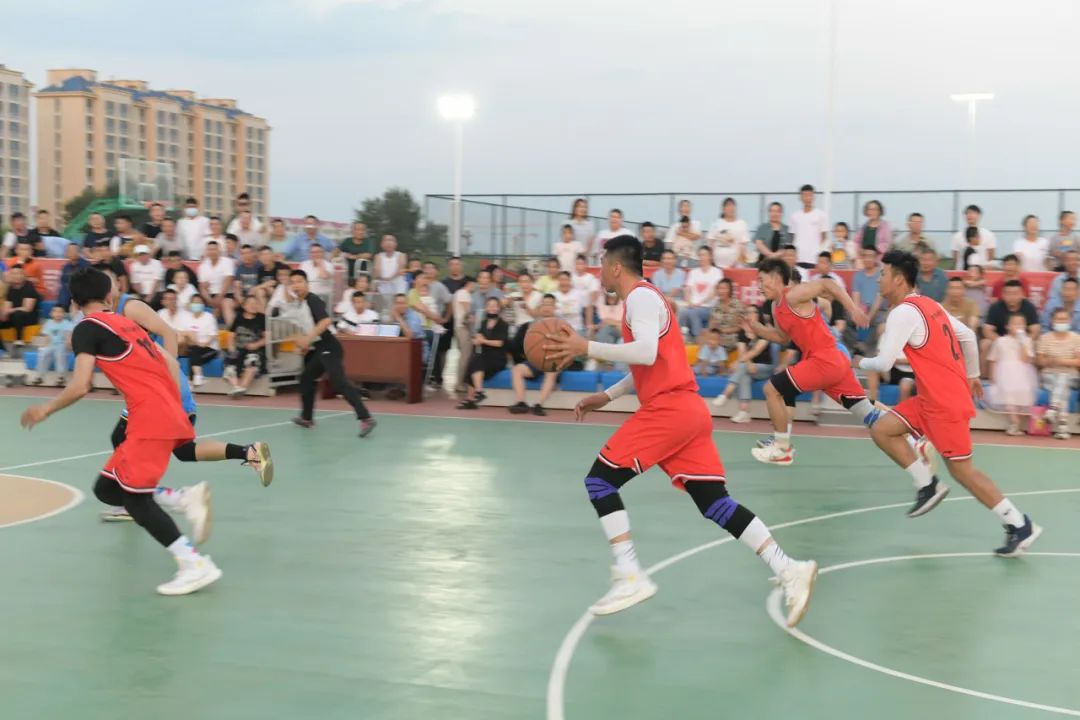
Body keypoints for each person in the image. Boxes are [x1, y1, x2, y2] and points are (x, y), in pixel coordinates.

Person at [541, 235, 819, 626]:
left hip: (669, 410)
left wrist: (586, 347)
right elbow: (649, 363)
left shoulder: (640, 298)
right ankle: (789, 567)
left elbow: (645, 353)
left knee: (600, 482)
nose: (599, 270)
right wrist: (606, 395)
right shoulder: (645, 299)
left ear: (616, 266)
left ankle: (629, 574)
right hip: (687, 410)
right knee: (715, 503)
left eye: (601, 263)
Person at [19, 267, 221, 595]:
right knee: (107, 489)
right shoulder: (127, 323)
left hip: (151, 418)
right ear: (109, 295)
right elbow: (168, 362)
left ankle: (194, 564)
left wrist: (45, 409)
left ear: (73, 302)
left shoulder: (87, 328)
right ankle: (182, 498)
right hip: (163, 411)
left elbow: (81, 384)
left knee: (136, 501)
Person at [856, 250, 1042, 555]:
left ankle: (1020, 524)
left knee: (964, 472)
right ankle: (927, 485)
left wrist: (858, 362)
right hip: (930, 398)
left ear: (898, 279)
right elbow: (967, 335)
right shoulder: (929, 304)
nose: (879, 280)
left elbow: (884, 362)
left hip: (943, 404)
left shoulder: (902, 312)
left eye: (883, 274)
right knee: (882, 430)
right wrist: (973, 374)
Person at [102, 285, 273, 522]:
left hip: (162, 393)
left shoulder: (128, 308)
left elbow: (170, 334)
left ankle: (135, 500)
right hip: (162, 392)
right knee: (183, 451)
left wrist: (166, 378)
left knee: (123, 441)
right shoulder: (116, 322)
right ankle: (249, 451)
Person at [748, 258, 873, 466]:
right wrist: (757, 329)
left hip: (824, 359)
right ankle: (915, 438)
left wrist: (853, 310)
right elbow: (782, 338)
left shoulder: (793, 295)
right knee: (868, 413)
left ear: (776, 278)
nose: (759, 286)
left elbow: (827, 284)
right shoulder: (776, 308)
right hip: (830, 362)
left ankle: (782, 448)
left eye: (762, 280)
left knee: (772, 389)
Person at [287, 270, 376, 436]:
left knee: (339, 383)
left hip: (330, 346)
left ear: (307, 284)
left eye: (299, 281)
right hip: (318, 348)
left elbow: (326, 321)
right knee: (306, 379)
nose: (296, 285)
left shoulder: (312, 300)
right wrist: (305, 345)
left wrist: (307, 339)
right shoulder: (299, 305)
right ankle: (306, 418)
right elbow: (310, 328)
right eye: (292, 282)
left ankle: (366, 418)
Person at [712, 306, 773, 422]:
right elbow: (742, 352)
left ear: (758, 315)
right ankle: (744, 412)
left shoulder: (765, 332)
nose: (749, 314)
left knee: (741, 366)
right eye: (747, 312)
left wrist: (739, 362)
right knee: (744, 375)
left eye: (752, 312)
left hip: (765, 367)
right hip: (748, 368)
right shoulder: (742, 332)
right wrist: (746, 363)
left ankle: (726, 393)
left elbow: (756, 351)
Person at [508, 293, 561, 415]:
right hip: (536, 359)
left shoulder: (561, 324)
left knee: (551, 372)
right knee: (517, 370)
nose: (546, 307)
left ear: (555, 307)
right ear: (540, 306)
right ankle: (521, 403)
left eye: (549, 304)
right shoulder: (533, 324)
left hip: (554, 358)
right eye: (544, 304)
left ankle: (539, 405)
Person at [986, 313, 1037, 435]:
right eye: (1015, 324)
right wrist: (992, 376)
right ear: (1007, 326)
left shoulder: (1027, 341)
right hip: (1005, 372)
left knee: (1024, 395)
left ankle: (1017, 423)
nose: (1018, 326)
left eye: (1021, 324)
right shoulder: (1000, 341)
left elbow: (1026, 359)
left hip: (1022, 372)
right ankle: (1014, 423)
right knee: (1008, 395)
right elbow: (993, 359)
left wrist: (1022, 342)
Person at [1036, 307, 1080, 439]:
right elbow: (1040, 361)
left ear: (1070, 321)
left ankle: (1053, 410)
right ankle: (1062, 426)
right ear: (1052, 321)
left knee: (1063, 378)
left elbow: (1078, 361)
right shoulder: (1045, 338)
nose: (1061, 322)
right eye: (1058, 319)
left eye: (1064, 319)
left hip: (1072, 376)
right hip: (1049, 376)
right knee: (1062, 385)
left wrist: (1060, 361)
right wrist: (1051, 361)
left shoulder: (1076, 338)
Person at [458, 296, 509, 410]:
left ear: (499, 308)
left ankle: (472, 398)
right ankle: (477, 394)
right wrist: (476, 340)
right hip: (485, 356)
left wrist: (483, 341)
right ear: (486, 308)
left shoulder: (503, 324)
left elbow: (499, 343)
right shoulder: (483, 323)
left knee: (477, 360)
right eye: (489, 305)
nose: (492, 308)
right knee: (474, 360)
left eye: (494, 306)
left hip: (498, 358)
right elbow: (477, 338)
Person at [982, 280, 1040, 376]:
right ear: (1003, 294)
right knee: (985, 343)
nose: (1012, 297)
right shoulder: (995, 307)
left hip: (1023, 339)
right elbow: (987, 330)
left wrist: (1025, 341)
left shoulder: (1029, 307)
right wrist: (1003, 341)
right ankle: (985, 377)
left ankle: (1031, 376)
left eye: (1015, 293)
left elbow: (1035, 330)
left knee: (1036, 343)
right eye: (1008, 293)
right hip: (1000, 339)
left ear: (1022, 294)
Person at [225, 295, 268, 398]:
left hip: (255, 350)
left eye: (255, 303)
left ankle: (241, 387)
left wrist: (256, 344)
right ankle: (237, 387)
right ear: (244, 306)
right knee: (230, 365)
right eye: (250, 303)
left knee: (251, 363)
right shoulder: (238, 318)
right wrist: (231, 348)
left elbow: (268, 338)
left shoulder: (262, 318)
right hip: (239, 349)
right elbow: (231, 335)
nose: (253, 306)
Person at [679, 247, 722, 339]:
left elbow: (715, 292)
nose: (701, 257)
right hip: (692, 305)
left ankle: (698, 338)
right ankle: (684, 337)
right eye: (700, 255)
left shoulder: (717, 272)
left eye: (704, 255)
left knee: (692, 313)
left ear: (710, 257)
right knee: (682, 312)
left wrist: (699, 303)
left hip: (708, 306)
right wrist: (689, 302)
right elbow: (687, 288)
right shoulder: (693, 272)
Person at [0, 264, 39, 351]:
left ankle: (19, 340)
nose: (16, 276)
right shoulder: (10, 288)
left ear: (23, 275)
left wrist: (9, 311)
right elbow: (7, 307)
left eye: (18, 273)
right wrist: (3, 315)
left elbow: (27, 308)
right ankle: (2, 348)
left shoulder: (29, 286)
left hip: (29, 317)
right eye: (13, 273)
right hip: (14, 316)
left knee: (18, 314)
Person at [197, 240, 237, 326]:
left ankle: (233, 330)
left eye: (214, 249)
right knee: (212, 310)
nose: (212, 252)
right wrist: (209, 300)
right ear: (207, 252)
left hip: (227, 294)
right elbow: (202, 287)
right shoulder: (203, 266)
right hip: (210, 297)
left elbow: (228, 280)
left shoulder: (227, 261)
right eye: (210, 250)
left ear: (219, 250)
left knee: (225, 304)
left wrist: (219, 297)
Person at [33, 305, 74, 386]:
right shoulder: (48, 323)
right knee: (43, 354)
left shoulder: (67, 323)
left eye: (60, 312)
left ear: (64, 314)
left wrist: (69, 346)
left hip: (62, 344)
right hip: (50, 344)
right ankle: (39, 376)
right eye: (55, 311)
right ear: (51, 313)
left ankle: (61, 377)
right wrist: (43, 347)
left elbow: (68, 337)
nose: (58, 314)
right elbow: (46, 337)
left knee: (60, 355)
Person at [789, 184, 829, 267]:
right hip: (798, 258)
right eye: (805, 195)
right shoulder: (794, 216)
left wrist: (817, 250)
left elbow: (824, 236)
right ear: (800, 197)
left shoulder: (821, 215)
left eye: (810, 195)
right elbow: (792, 237)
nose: (807, 198)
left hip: (814, 258)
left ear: (814, 196)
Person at [707, 197, 750, 268]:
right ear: (723, 209)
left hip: (736, 266)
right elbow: (710, 243)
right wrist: (712, 261)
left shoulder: (742, 224)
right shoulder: (716, 223)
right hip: (717, 265)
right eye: (728, 206)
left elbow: (743, 247)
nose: (731, 208)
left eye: (732, 206)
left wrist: (735, 264)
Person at [57, 242, 89, 311]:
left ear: (78, 252)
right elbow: (63, 281)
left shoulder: (85, 265)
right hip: (68, 292)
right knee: (63, 290)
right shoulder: (66, 267)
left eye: (73, 250)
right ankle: (61, 310)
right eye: (69, 251)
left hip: (81, 291)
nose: (71, 253)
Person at [373, 234, 408, 299]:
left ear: (396, 244)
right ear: (381, 244)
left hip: (398, 284)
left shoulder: (401, 255)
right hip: (383, 283)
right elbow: (377, 271)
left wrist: (389, 279)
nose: (388, 243)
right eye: (386, 240)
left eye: (391, 240)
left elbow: (400, 270)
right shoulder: (378, 256)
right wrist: (384, 280)